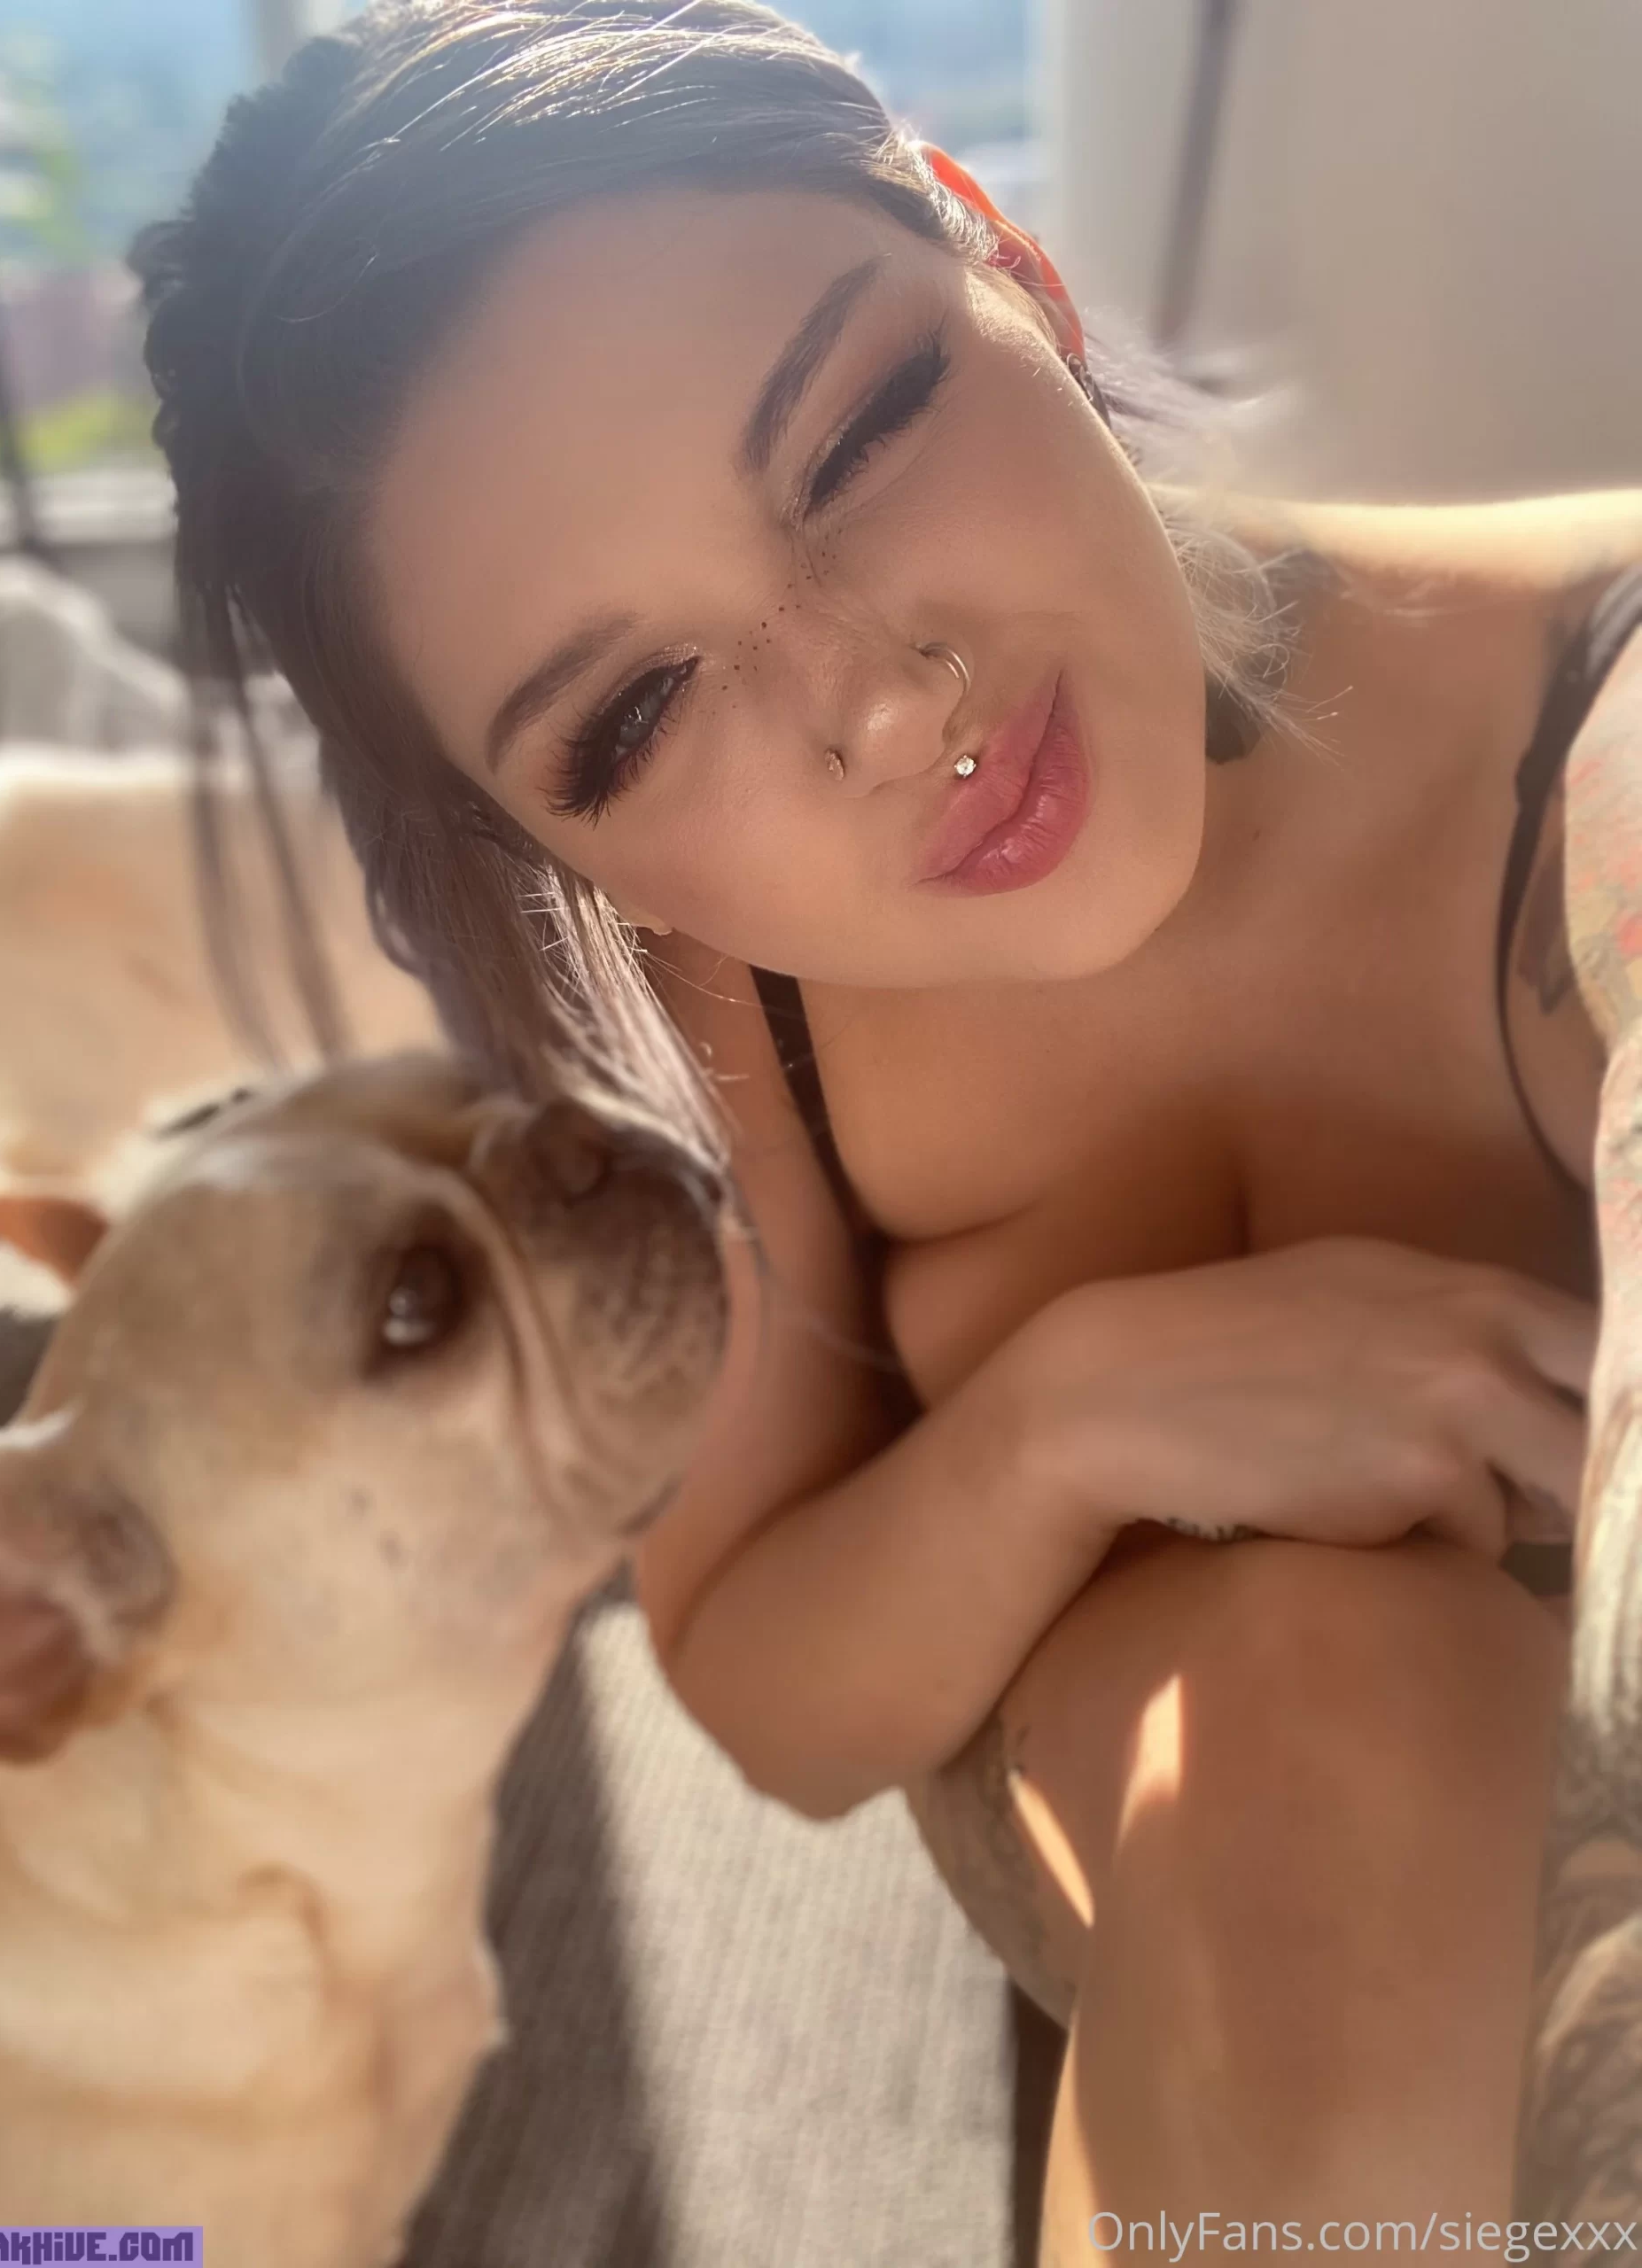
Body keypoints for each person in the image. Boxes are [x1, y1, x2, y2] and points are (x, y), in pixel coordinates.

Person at [134, 1, 1642, 2249]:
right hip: (1135, 1839)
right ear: (557, 854)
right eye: (635, 712)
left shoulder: (1598, 712)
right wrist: (1071, 1416)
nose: (872, 696)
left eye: (858, 429)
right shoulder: (719, 1004)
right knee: (1322, 1704)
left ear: (994, 246)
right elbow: (778, 1695)